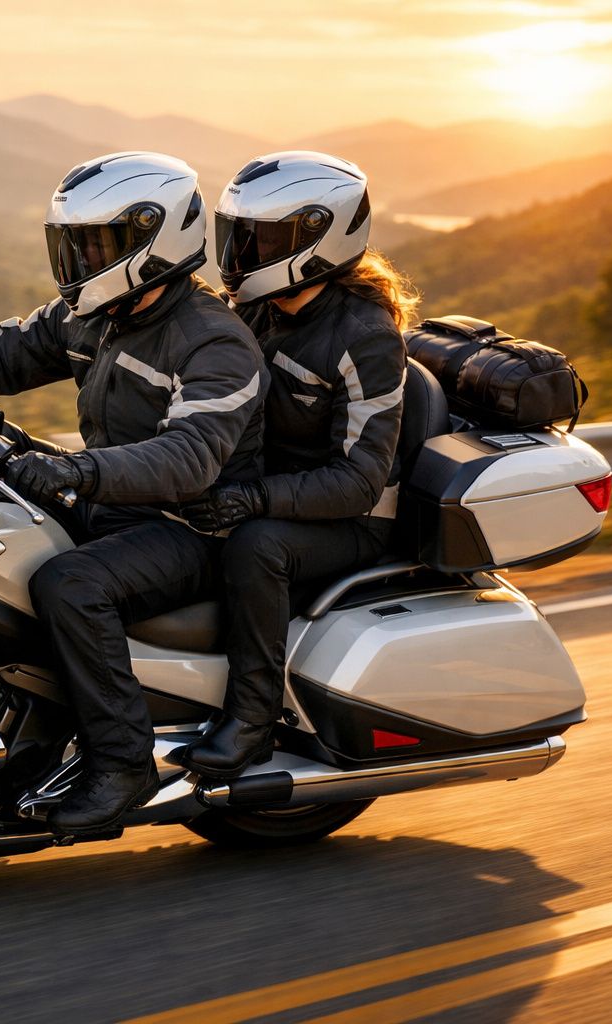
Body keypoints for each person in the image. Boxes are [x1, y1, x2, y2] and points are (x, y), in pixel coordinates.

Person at [0, 152, 267, 833]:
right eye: (74, 243)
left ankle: (122, 764)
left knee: (70, 585)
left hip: (191, 525)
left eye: (98, 244)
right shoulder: (99, 313)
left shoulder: (214, 343)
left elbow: (190, 460)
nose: (81, 259)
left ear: (155, 242)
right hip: (111, 501)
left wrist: (76, 471)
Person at [171, 151, 416, 779]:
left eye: (261, 240)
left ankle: (252, 721)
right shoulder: (260, 306)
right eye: (240, 235)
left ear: (316, 240)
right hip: (273, 489)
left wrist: (253, 499)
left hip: (349, 518)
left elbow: (359, 483)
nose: (242, 253)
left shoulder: (365, 336)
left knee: (257, 547)